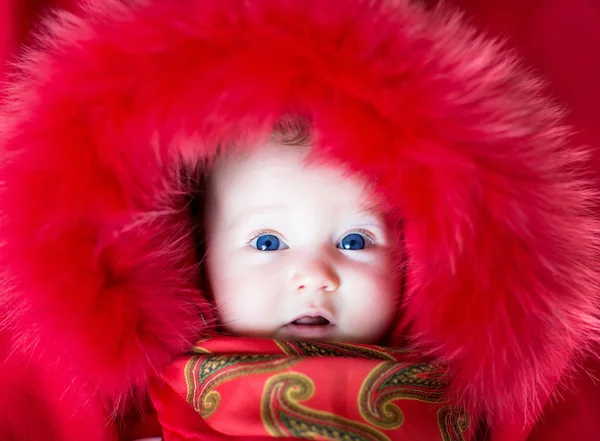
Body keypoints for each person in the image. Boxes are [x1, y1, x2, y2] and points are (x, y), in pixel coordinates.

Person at [0, 1, 598, 440]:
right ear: (192, 256)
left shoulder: (472, 413)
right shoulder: (162, 416)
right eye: (267, 241)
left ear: (418, 263)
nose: (314, 274)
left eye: (356, 239)